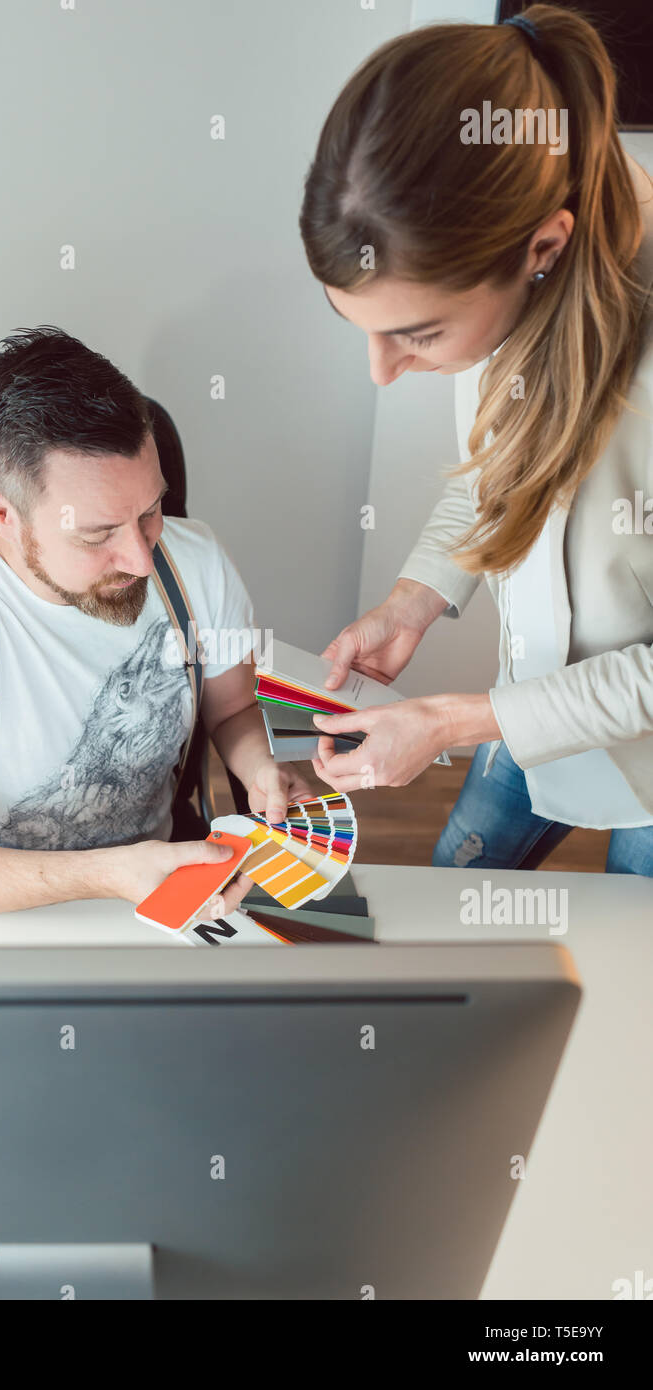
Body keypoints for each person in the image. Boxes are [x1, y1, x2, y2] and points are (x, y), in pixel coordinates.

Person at [297, 5, 653, 875]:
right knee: (460, 880)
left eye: (415, 336)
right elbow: (501, 468)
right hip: (525, 708)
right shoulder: (507, 272)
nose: (382, 372)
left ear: (542, 249)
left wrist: (456, 721)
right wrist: (412, 599)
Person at [0, 326, 311, 913]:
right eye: (97, 534)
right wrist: (110, 874)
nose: (143, 559)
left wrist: (261, 767)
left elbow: (235, 708)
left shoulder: (197, 561)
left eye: (151, 512)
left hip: (162, 886)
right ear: (0, 512)